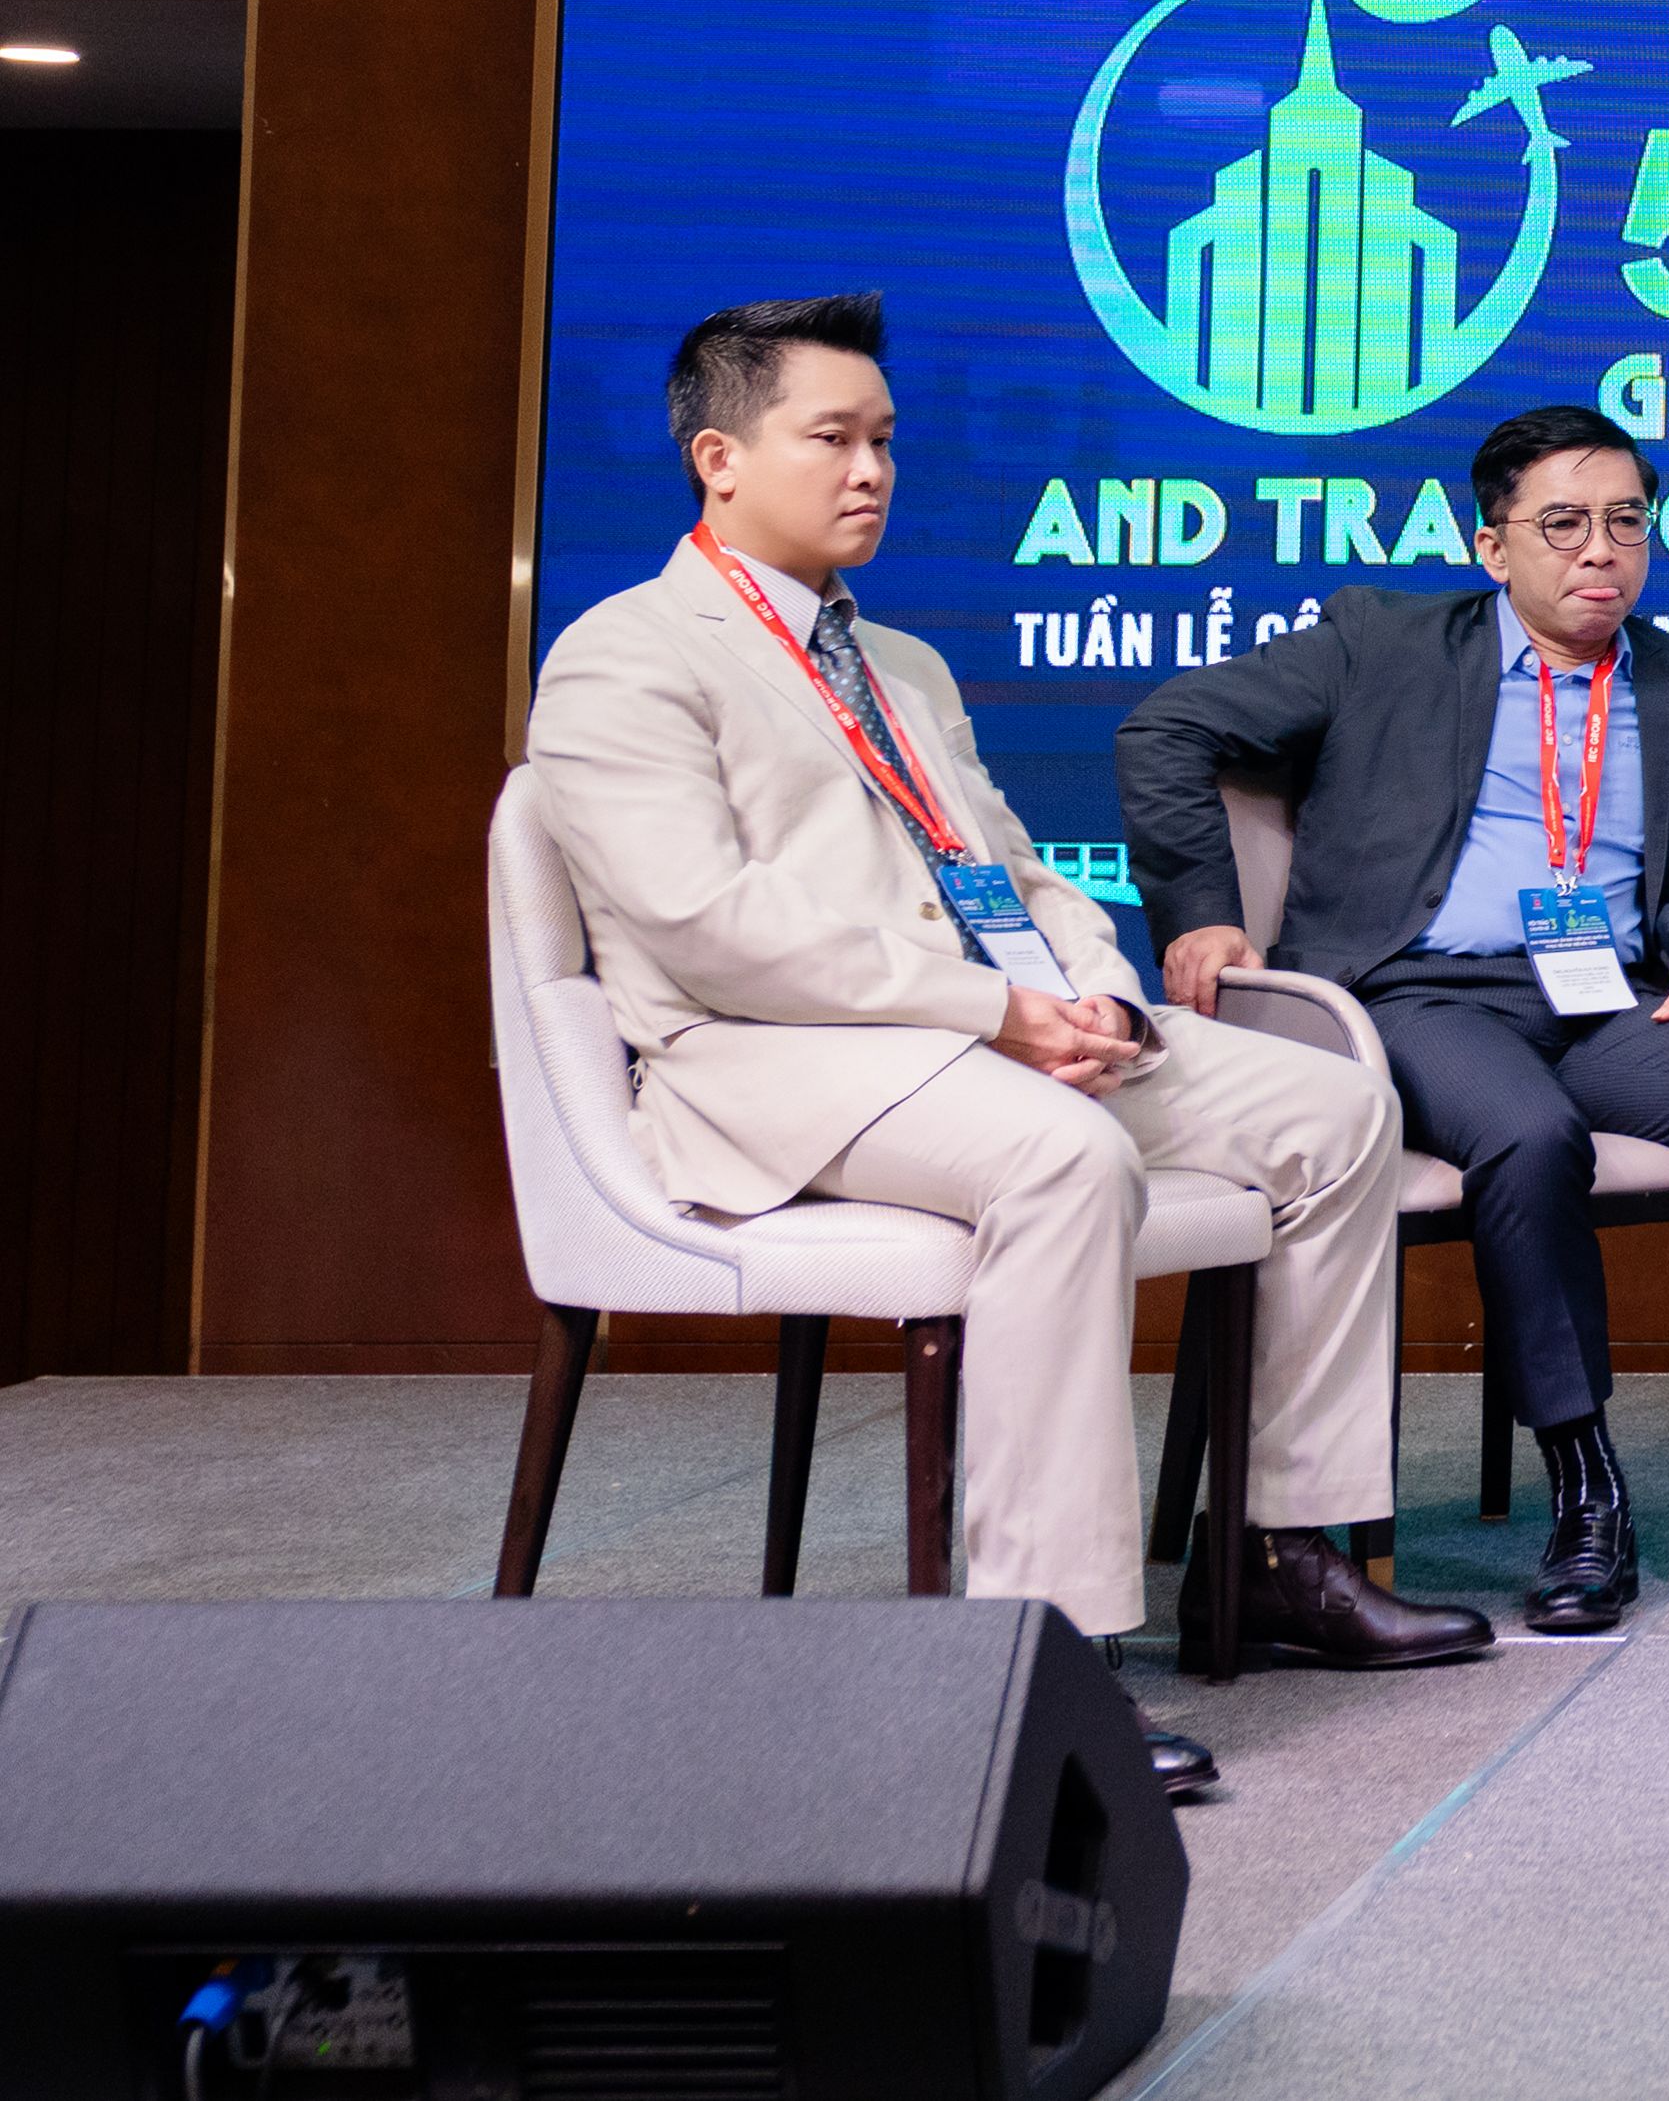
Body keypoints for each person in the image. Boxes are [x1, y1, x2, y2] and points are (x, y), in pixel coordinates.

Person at [529, 299, 1485, 1799]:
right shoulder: (623, 653)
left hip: (992, 1037)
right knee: (1063, 1158)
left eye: (884, 439)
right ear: (719, 457)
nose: (871, 470)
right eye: (831, 437)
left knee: (1336, 1109)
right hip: (769, 1059)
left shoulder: (900, 661)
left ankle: (1278, 1549)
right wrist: (989, 1013)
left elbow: (1019, 871)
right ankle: (1049, 1643)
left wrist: (1098, 993)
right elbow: (708, 923)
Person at [1120, 404, 1669, 1635]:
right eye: (1563, 523)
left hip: (1602, 998)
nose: (1600, 551)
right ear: (1490, 545)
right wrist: (1201, 912)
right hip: (1419, 993)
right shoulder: (1382, 642)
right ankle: (1586, 1492)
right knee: (1528, 1135)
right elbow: (1164, 731)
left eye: (1626, 522)